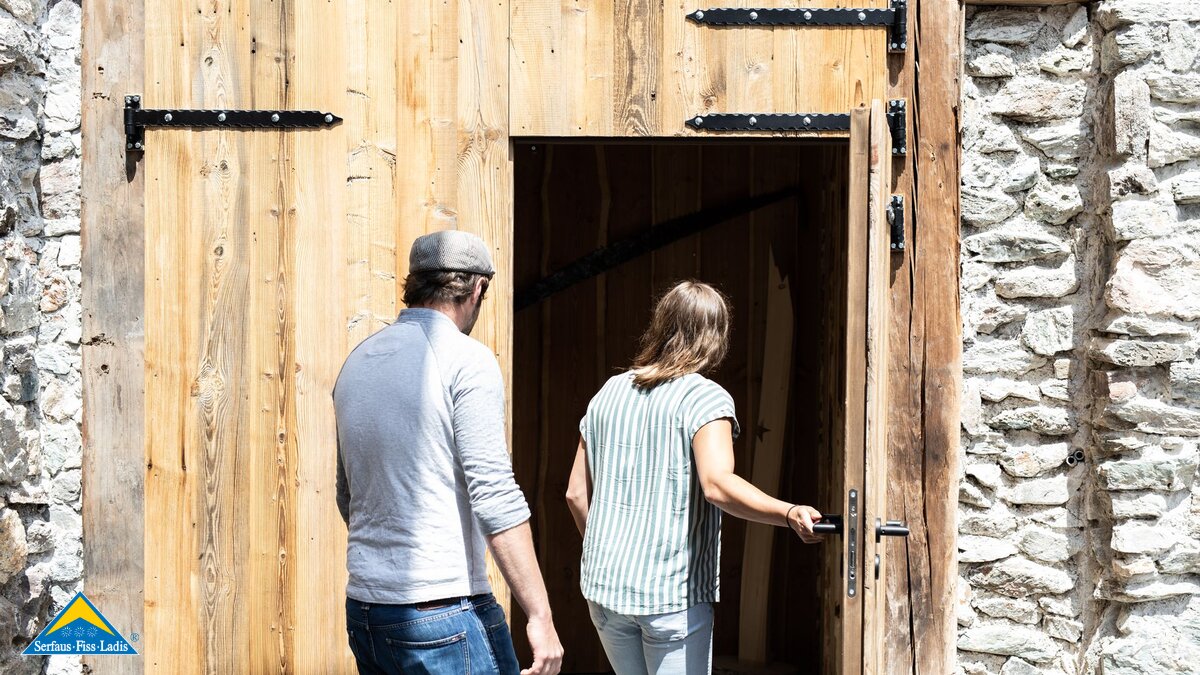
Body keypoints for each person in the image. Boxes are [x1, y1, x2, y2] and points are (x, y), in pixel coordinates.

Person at [334, 230, 563, 675]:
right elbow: (494, 495)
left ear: (414, 284)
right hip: (443, 613)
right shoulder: (466, 360)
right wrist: (541, 615)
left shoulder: (358, 361)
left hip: (366, 609)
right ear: (477, 288)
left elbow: (349, 495)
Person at [565, 280, 823, 675]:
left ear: (661, 325)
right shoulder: (705, 398)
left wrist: (609, 555)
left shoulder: (607, 393)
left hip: (604, 592)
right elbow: (717, 484)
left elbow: (575, 495)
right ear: (715, 337)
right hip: (670, 598)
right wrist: (788, 513)